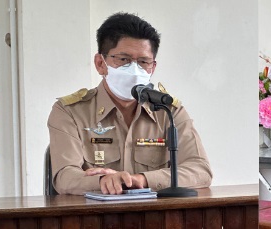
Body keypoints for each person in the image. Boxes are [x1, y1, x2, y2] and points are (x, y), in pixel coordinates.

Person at [48, 12, 212, 194]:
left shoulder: (168, 110)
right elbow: (64, 177)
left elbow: (200, 170)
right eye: (123, 60)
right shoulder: (70, 112)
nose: (134, 69)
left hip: (157, 218)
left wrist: (140, 180)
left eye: (143, 62)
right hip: (95, 217)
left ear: (153, 67)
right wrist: (104, 181)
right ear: (100, 63)